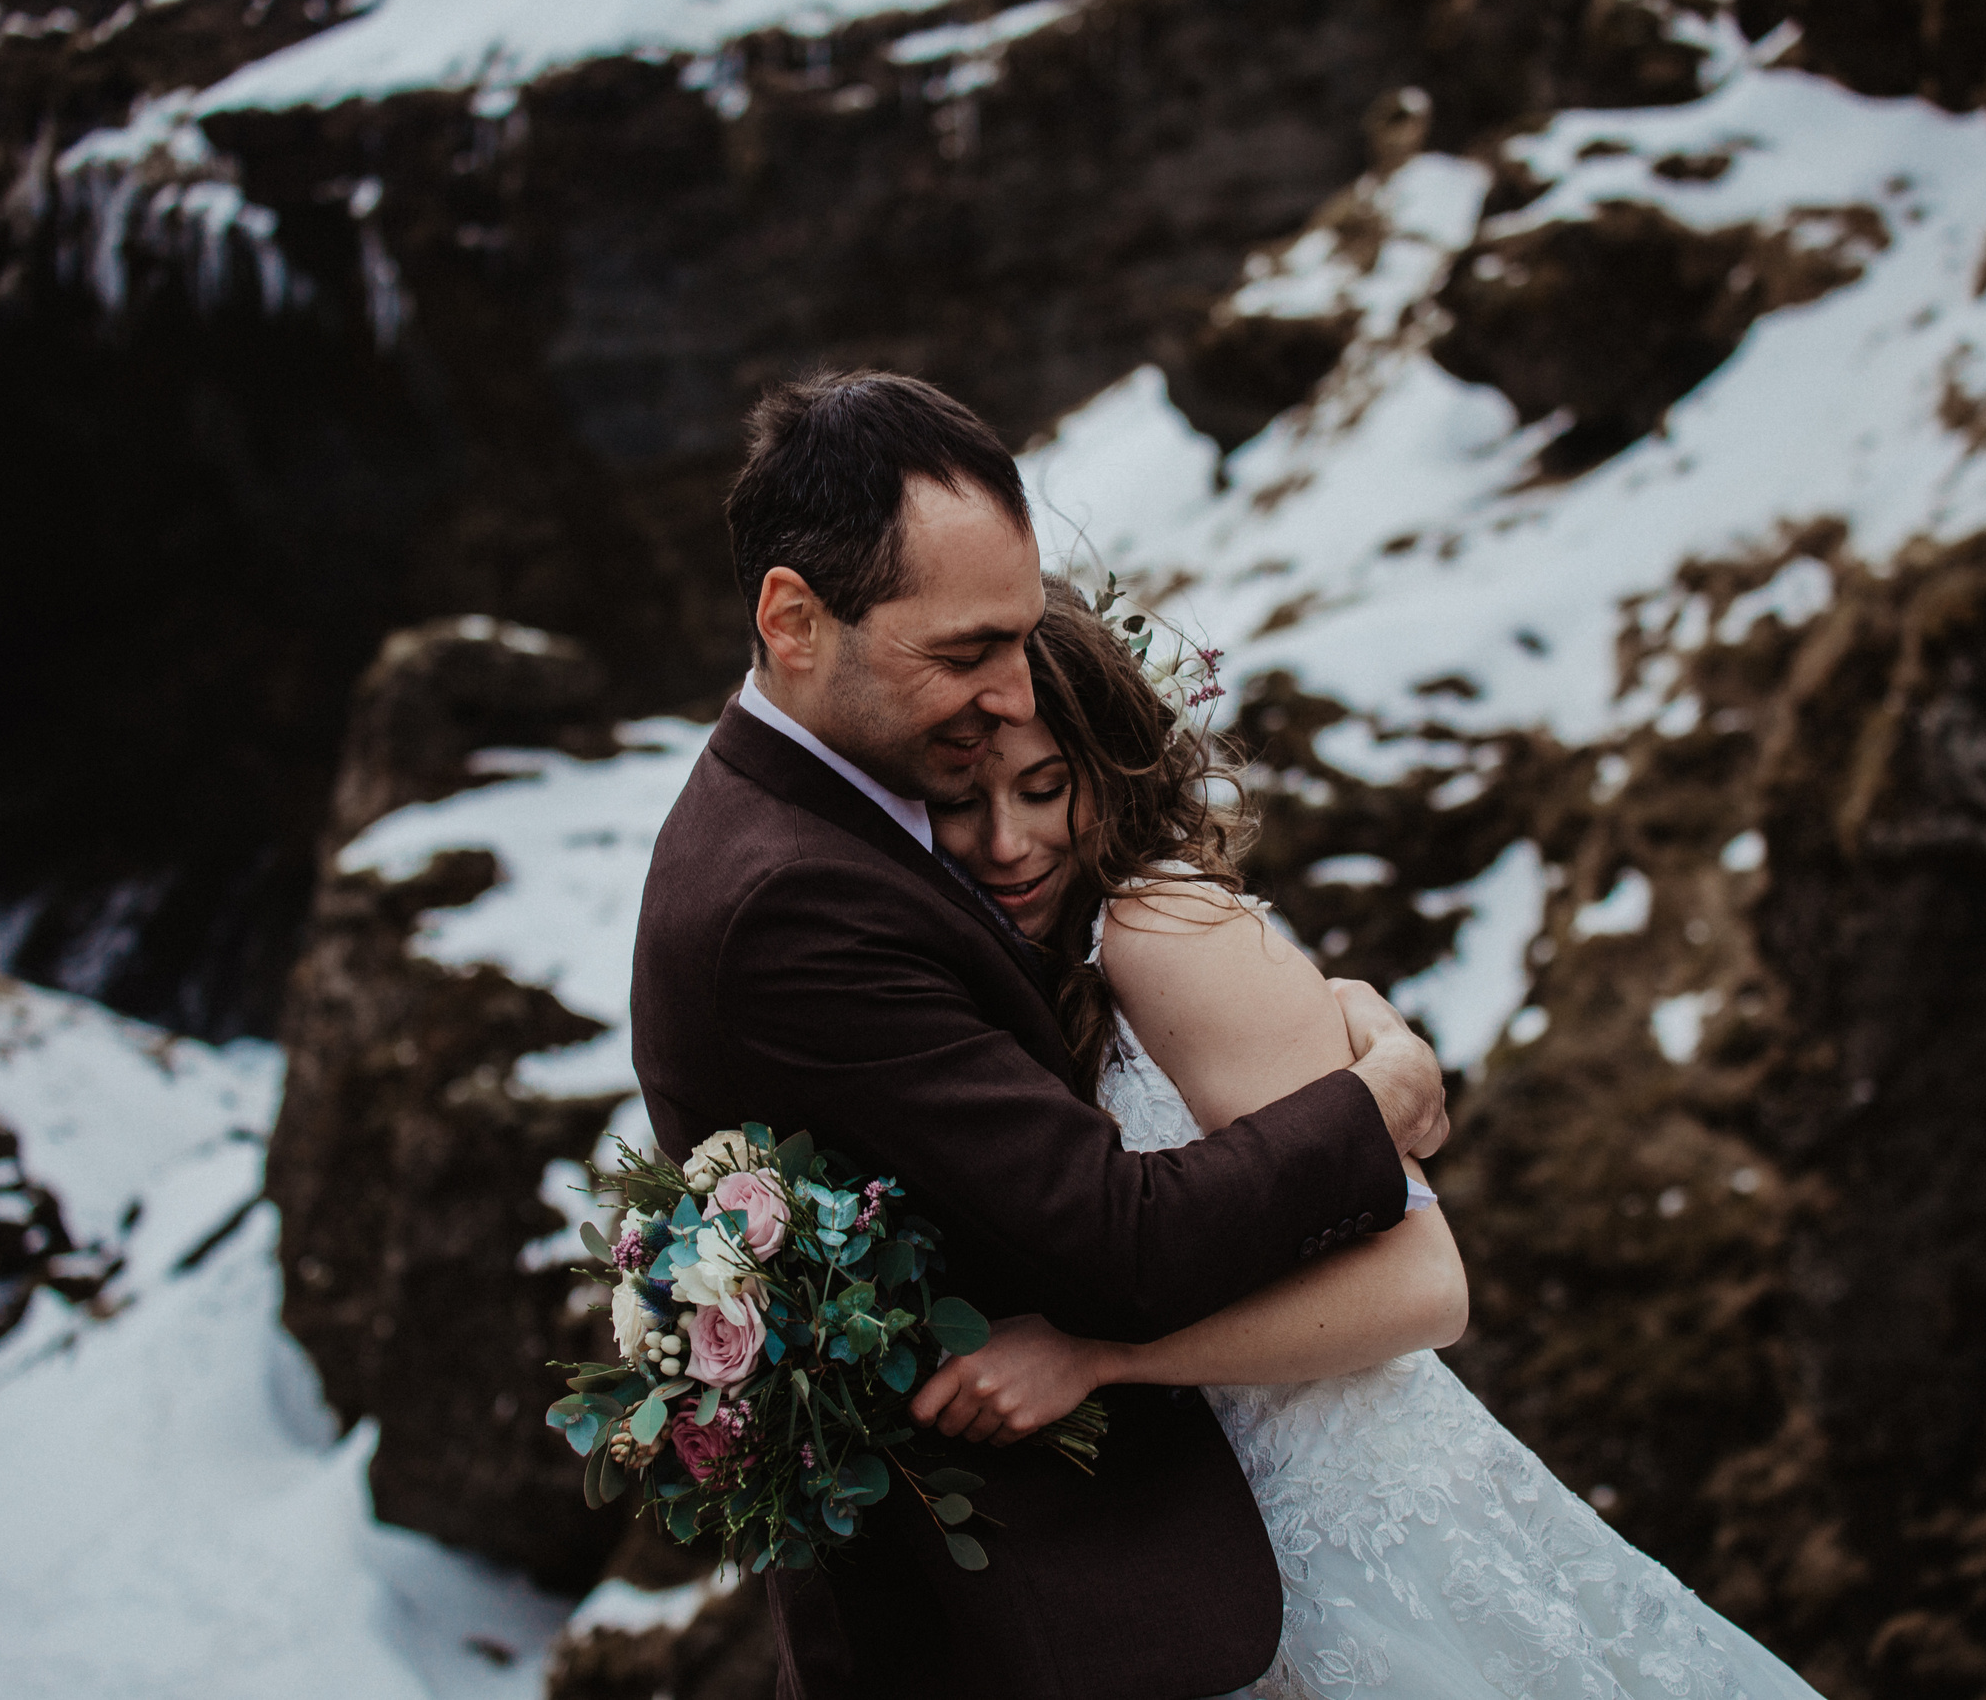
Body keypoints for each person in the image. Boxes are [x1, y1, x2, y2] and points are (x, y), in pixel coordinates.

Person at [628, 370, 1455, 1700]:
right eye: (966, 652)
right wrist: (1387, 1096)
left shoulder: (868, 807)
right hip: (1014, 1629)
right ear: (792, 619)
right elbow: (1113, 1241)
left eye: (1020, 637)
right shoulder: (787, 901)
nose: (1018, 692)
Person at [906, 579, 1831, 1700]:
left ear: (1109, 773)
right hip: (1239, 1567)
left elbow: (1423, 1289)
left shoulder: (1158, 926)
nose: (1006, 843)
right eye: (962, 800)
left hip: (1379, 1537)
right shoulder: (1031, 966)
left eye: (1047, 789)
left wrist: (1099, 1356)